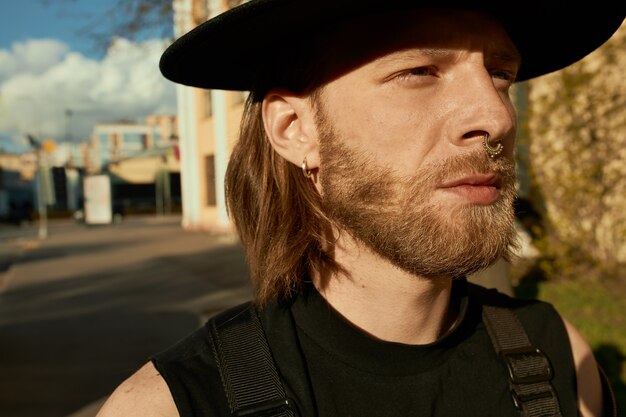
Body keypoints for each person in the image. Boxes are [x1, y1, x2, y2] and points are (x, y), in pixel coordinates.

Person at [96, 2, 625, 416]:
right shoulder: (172, 405)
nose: (496, 115)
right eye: (419, 70)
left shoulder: (552, 353)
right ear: (295, 130)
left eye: (501, 74)